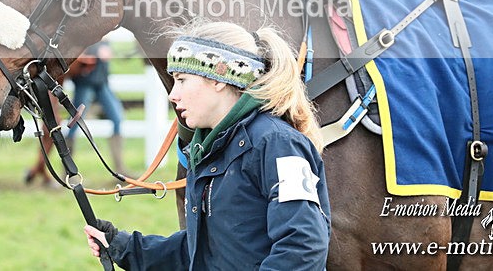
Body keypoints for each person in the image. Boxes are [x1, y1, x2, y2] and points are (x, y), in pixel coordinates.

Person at [84, 19, 331, 270]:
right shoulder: (210, 149)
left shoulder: (278, 144)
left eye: (182, 79)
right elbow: (202, 252)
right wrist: (121, 246)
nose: (173, 94)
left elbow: (304, 246)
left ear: (218, 78)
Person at [66, 41, 127, 174]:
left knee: (117, 118)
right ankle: (68, 170)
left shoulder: (104, 39)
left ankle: (120, 169)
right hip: (84, 82)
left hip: (101, 82)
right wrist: (96, 52)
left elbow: (107, 52)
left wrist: (105, 49)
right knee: (74, 123)